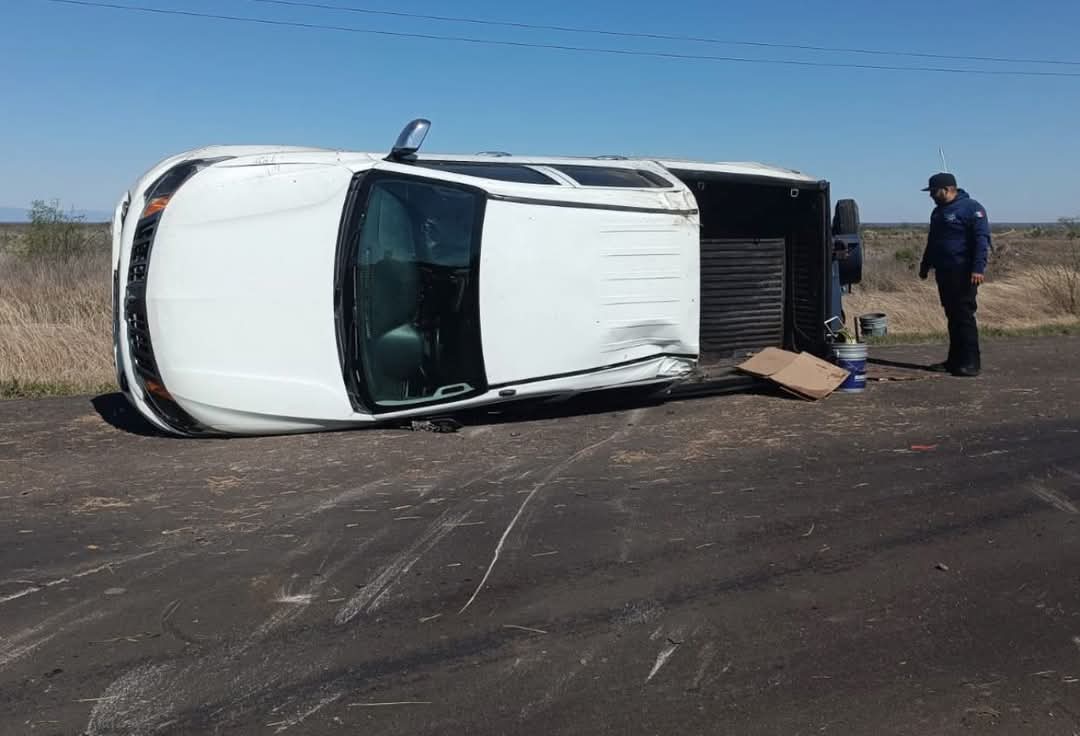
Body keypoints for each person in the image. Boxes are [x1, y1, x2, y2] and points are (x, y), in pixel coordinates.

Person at [918, 172, 991, 377]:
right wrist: (925, 264)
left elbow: (981, 240)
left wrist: (978, 268)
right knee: (952, 315)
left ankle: (971, 362)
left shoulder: (971, 208)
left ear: (948, 189)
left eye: (934, 191)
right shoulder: (937, 212)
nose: (931, 195)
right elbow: (933, 240)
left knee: (964, 315)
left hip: (964, 271)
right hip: (944, 271)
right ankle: (954, 360)